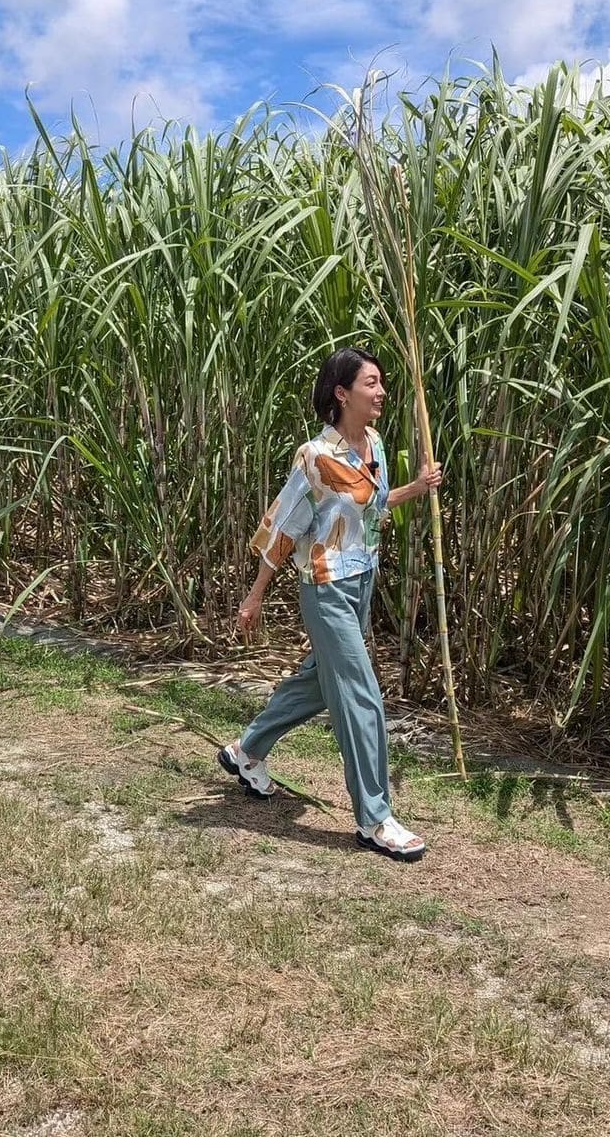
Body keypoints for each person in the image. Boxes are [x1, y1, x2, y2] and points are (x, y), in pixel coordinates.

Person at [218, 347, 442, 862]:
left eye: (381, 382)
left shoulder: (376, 444)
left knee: (321, 682)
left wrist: (417, 486)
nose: (381, 391)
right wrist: (254, 599)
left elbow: (374, 505)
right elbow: (282, 526)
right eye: (370, 383)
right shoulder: (314, 456)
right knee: (361, 694)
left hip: (362, 580)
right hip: (325, 587)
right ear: (342, 394)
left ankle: (246, 750)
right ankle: (375, 818)